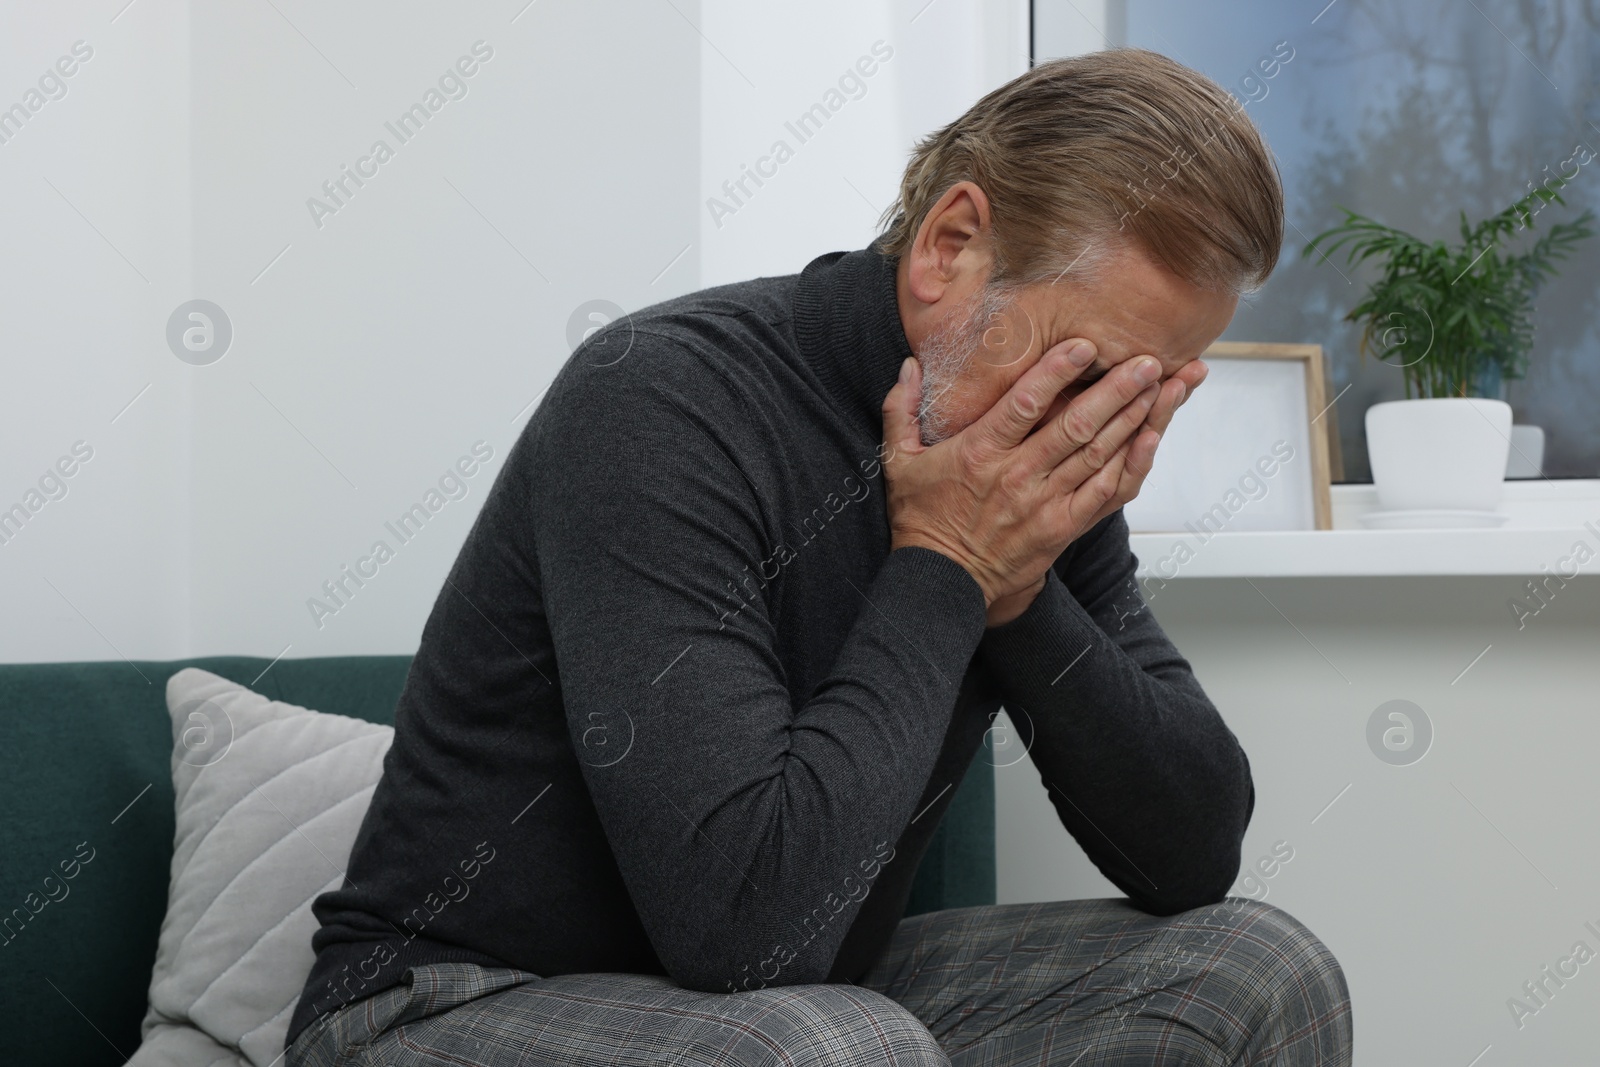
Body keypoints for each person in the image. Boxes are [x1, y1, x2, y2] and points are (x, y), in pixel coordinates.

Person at [285, 48, 1352, 1066]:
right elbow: (743, 932)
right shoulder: (657, 401)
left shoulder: (1022, 465)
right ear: (950, 246)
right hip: (446, 1008)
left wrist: (1017, 590)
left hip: (813, 1001)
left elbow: (1192, 851)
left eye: (1151, 391)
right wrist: (946, 562)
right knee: (837, 1045)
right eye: (1093, 374)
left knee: (1256, 969)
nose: (1100, 426)